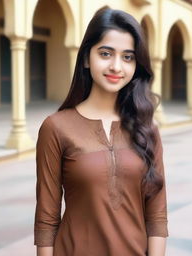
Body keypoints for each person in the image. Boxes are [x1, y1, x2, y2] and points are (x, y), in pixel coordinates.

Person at [34, 7, 168, 256]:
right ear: (86, 58)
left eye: (128, 57)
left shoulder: (147, 129)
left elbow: (156, 213)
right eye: (106, 53)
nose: (117, 66)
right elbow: (46, 218)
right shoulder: (56, 127)